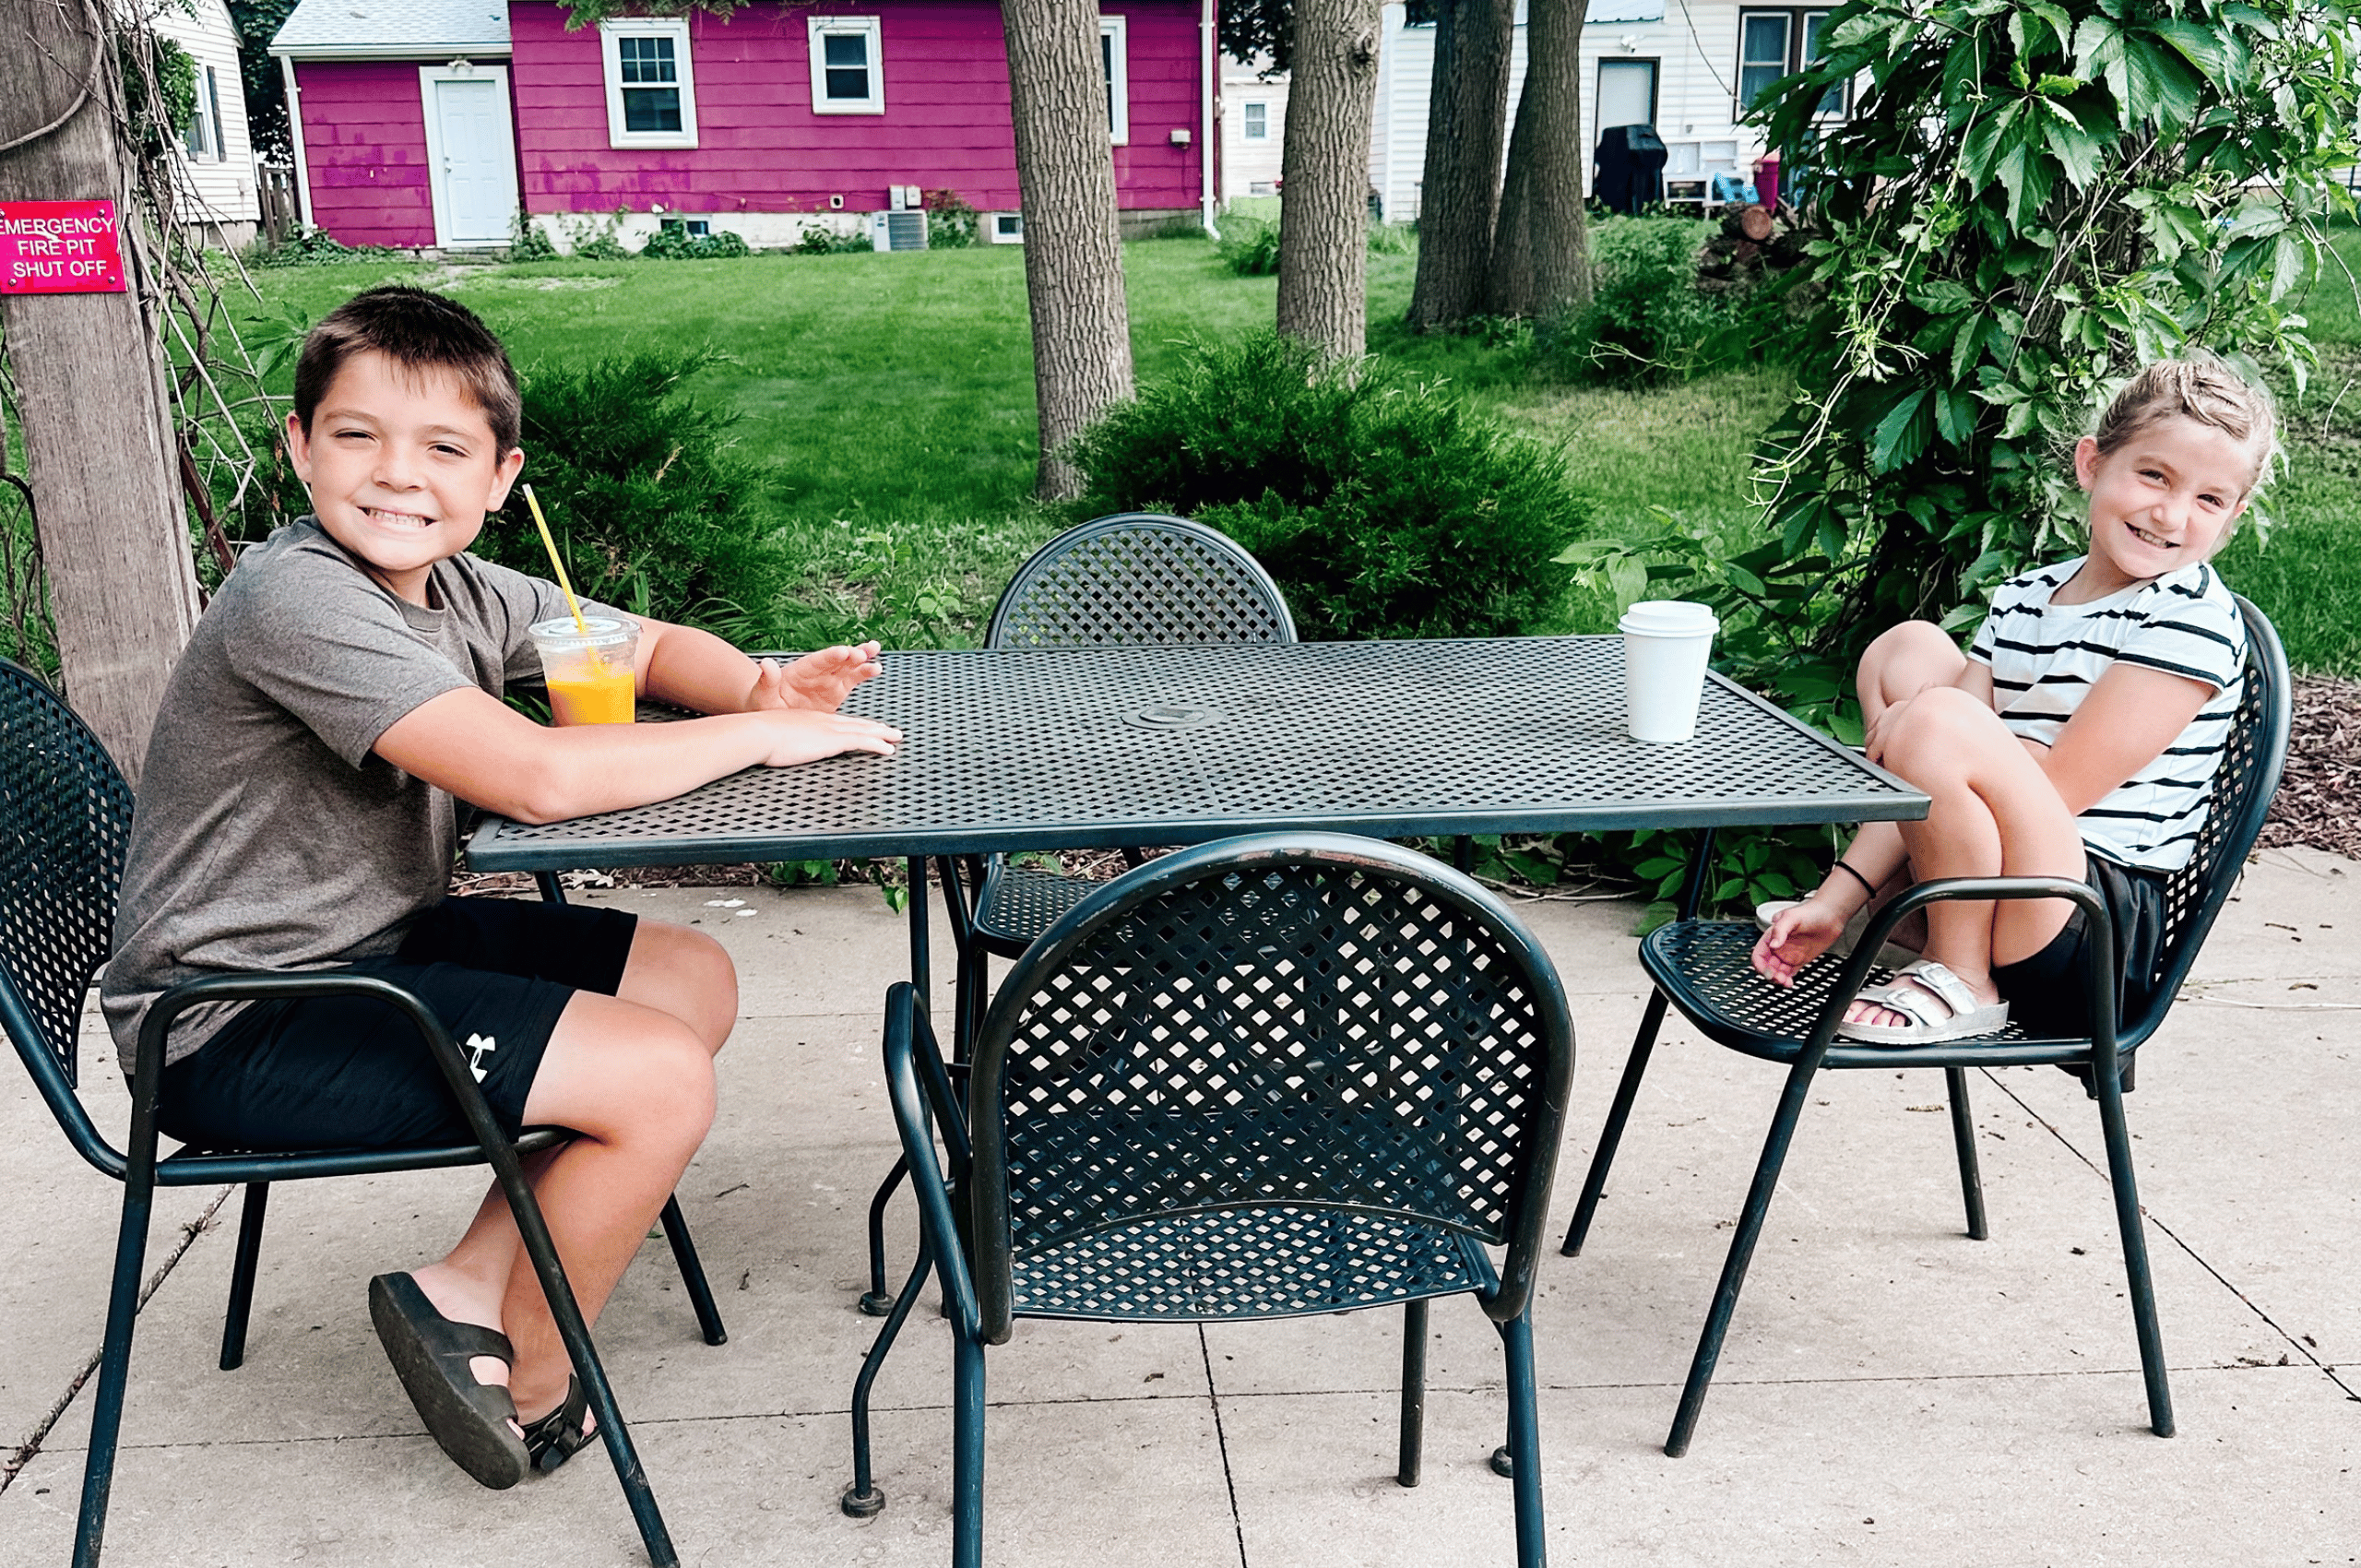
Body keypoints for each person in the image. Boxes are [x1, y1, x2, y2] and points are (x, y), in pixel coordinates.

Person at [101, 285, 902, 1489]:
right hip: (234, 1018)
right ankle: (532, 1375)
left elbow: (636, 645)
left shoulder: (464, 592)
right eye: (359, 436)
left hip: (376, 949)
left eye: (443, 448)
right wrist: (762, 744)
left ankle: (465, 1284)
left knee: (690, 978)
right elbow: (532, 777)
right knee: (660, 1079)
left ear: (497, 477)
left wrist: (756, 688)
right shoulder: (300, 599)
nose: (397, 476)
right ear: (300, 447)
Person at [1751, 358, 2272, 1044]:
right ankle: (1905, 911)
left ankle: (1960, 972)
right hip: (2004, 874)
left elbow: (2052, 789)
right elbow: (1924, 765)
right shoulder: (2028, 594)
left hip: (2086, 923)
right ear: (2091, 464)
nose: (2171, 514)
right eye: (2154, 475)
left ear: (2232, 519)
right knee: (1908, 652)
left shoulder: (2190, 620)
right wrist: (1834, 899)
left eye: (2209, 500)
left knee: (1937, 719)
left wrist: (1951, 737)